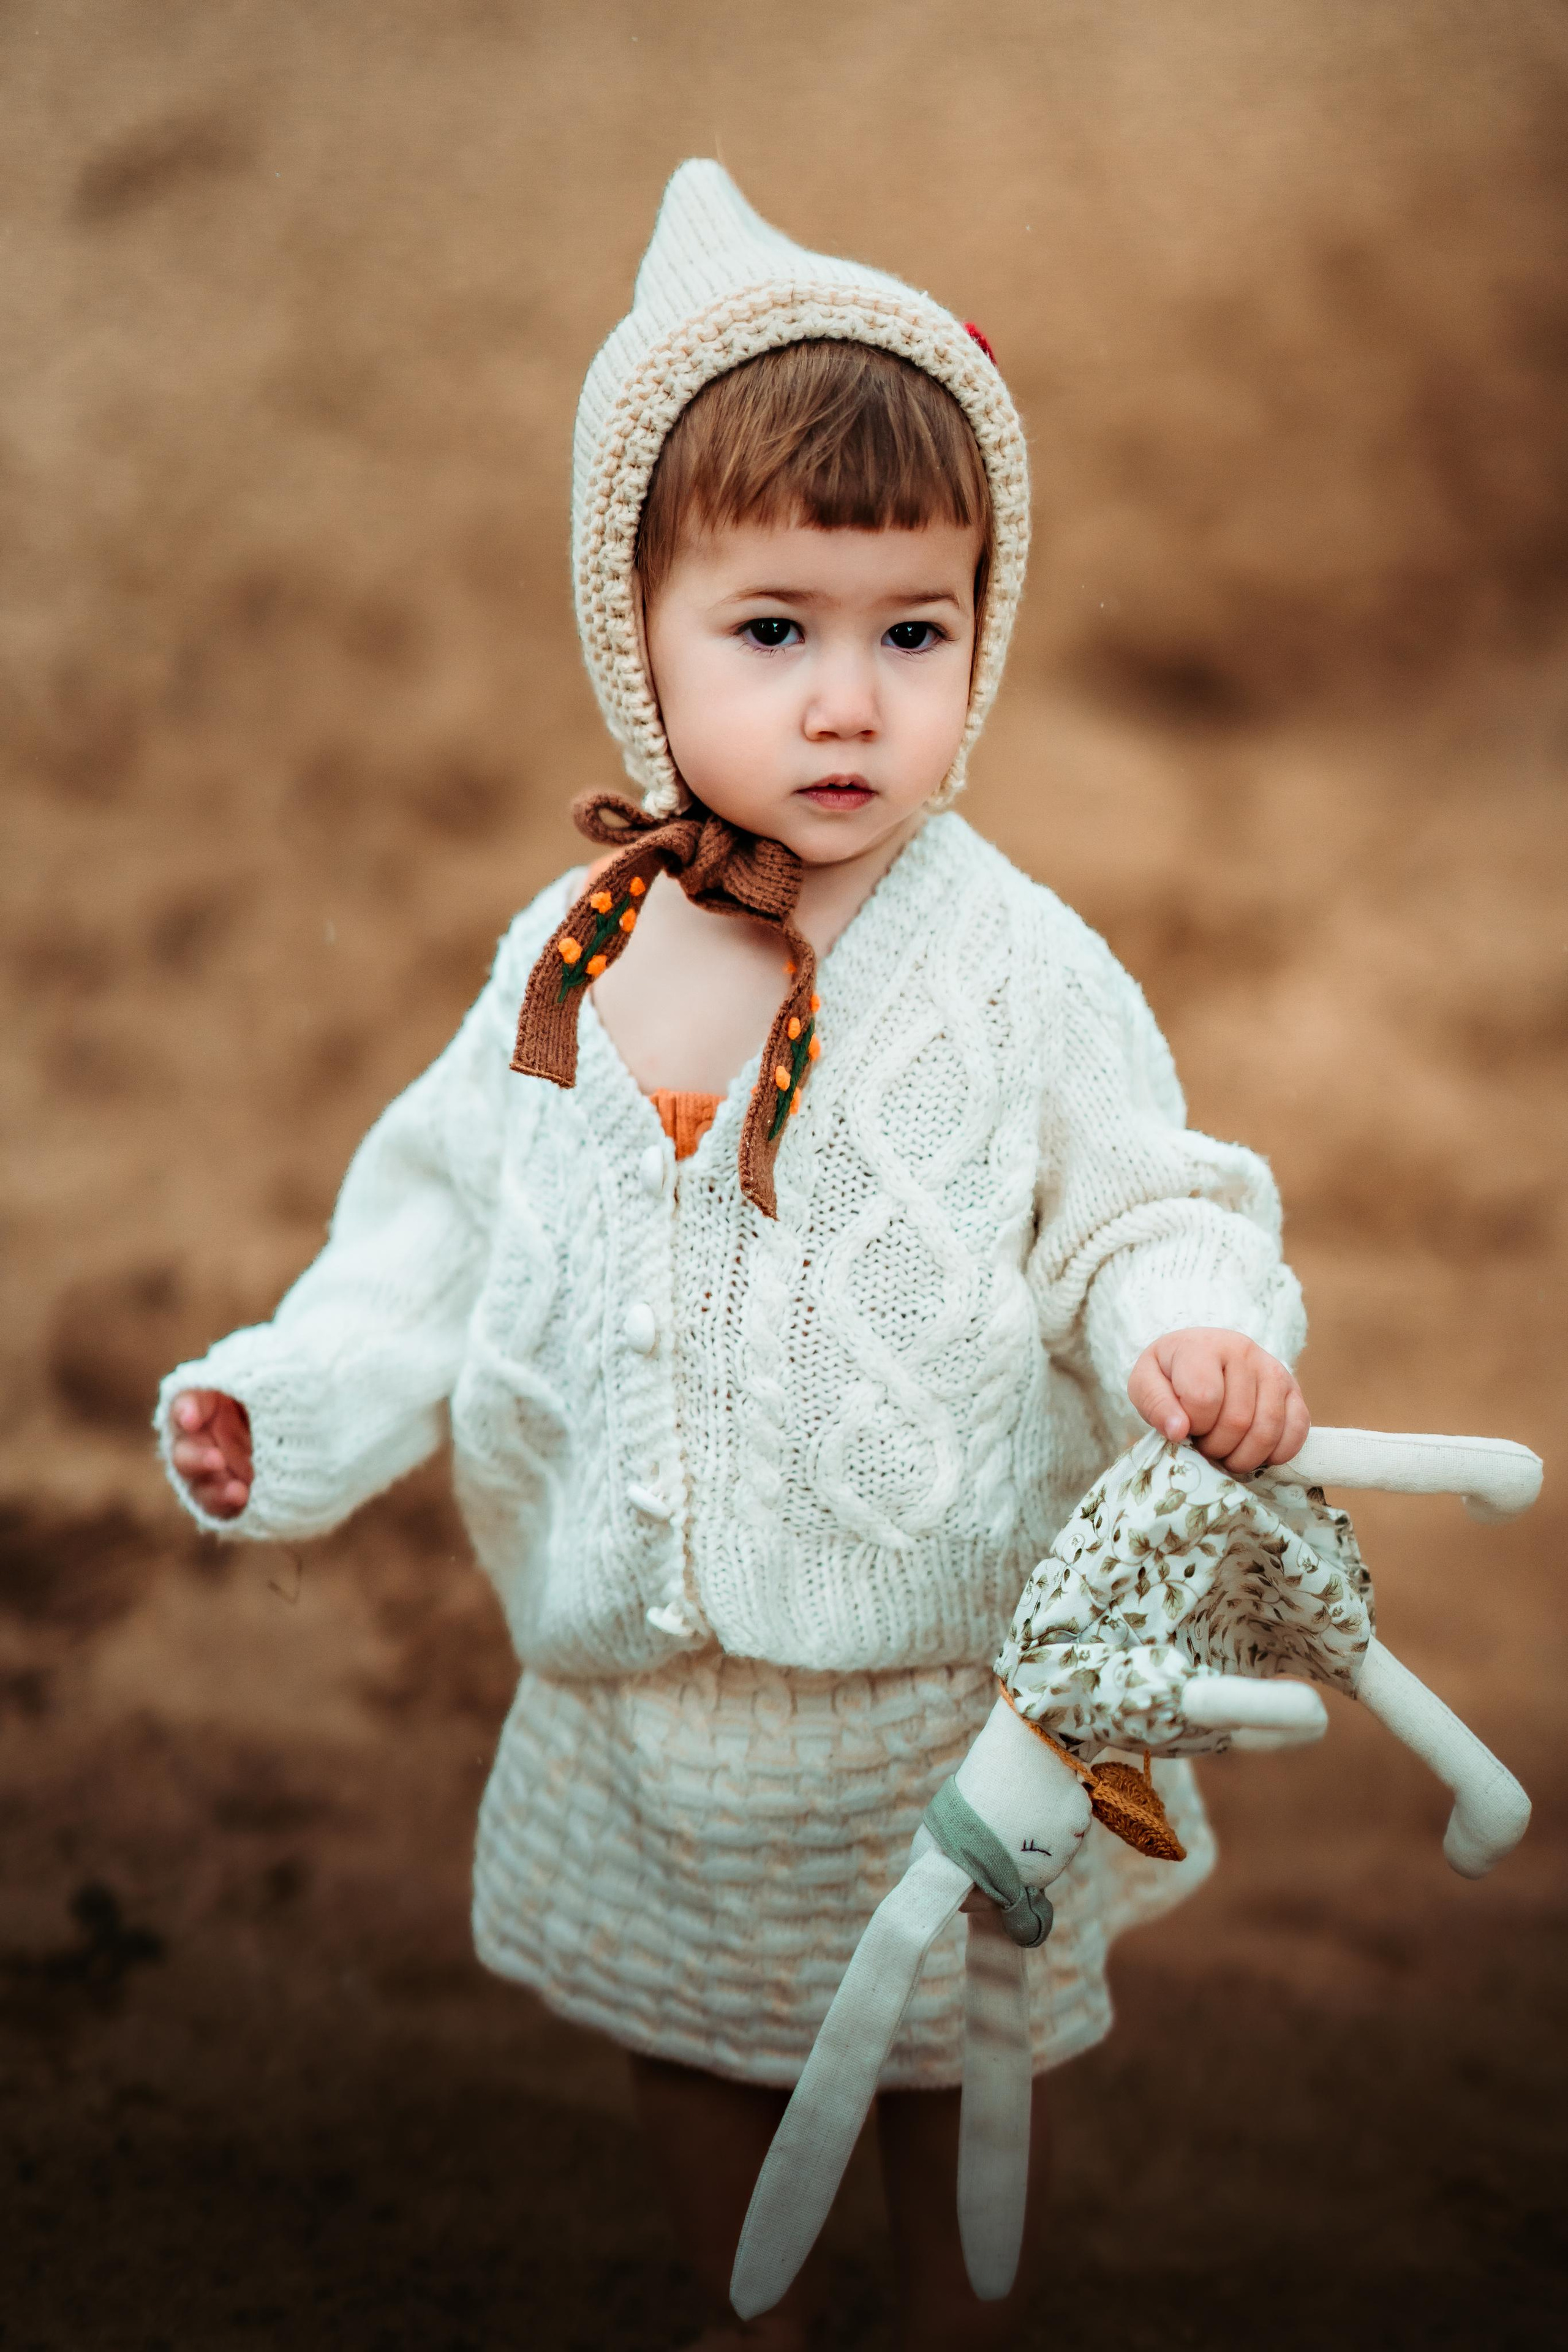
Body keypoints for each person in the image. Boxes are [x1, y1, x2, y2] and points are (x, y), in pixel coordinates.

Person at [160, 162, 1310, 2352]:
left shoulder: (1015, 964)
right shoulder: (580, 958)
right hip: (652, 1703)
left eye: (916, 631)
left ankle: (952, 2320)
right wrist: (289, 1403)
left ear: (986, 628)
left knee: (944, 2041)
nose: (851, 703)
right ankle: (736, 2316)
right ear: (637, 628)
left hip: (930, 1692)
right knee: (693, 2031)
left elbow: (1146, 1200)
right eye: (771, 632)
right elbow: (437, 1229)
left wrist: (1191, 1331)